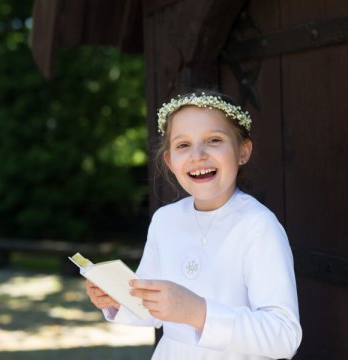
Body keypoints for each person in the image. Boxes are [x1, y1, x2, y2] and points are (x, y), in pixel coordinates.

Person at [85, 91, 302, 359]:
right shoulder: (165, 221)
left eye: (214, 140)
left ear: (243, 151)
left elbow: (283, 336)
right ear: (170, 161)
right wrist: (117, 298)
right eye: (183, 145)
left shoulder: (258, 226)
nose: (197, 155)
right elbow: (149, 308)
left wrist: (198, 312)